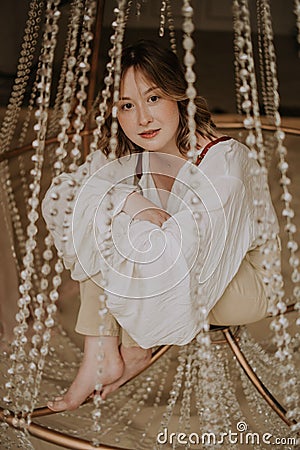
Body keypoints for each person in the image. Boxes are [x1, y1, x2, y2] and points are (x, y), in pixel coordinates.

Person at [42, 40, 281, 411]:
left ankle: (129, 348)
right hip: (180, 269)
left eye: (153, 98)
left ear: (179, 97)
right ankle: (100, 350)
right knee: (97, 211)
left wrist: (117, 214)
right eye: (126, 105)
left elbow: (180, 250)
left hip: (243, 282)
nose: (142, 119)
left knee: (114, 228)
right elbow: (64, 197)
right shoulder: (126, 153)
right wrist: (129, 202)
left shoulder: (224, 162)